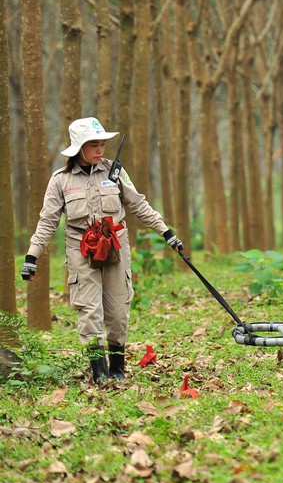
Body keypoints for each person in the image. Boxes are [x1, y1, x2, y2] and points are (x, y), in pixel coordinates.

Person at [20, 117, 183, 384]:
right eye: (93, 145)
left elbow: (138, 204)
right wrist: (31, 257)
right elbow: (47, 221)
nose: (100, 150)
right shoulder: (60, 180)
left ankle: (118, 368)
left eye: (102, 144)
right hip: (80, 251)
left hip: (116, 249)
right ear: (79, 147)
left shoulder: (115, 172)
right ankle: (100, 372)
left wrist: (167, 233)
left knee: (118, 312)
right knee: (89, 311)